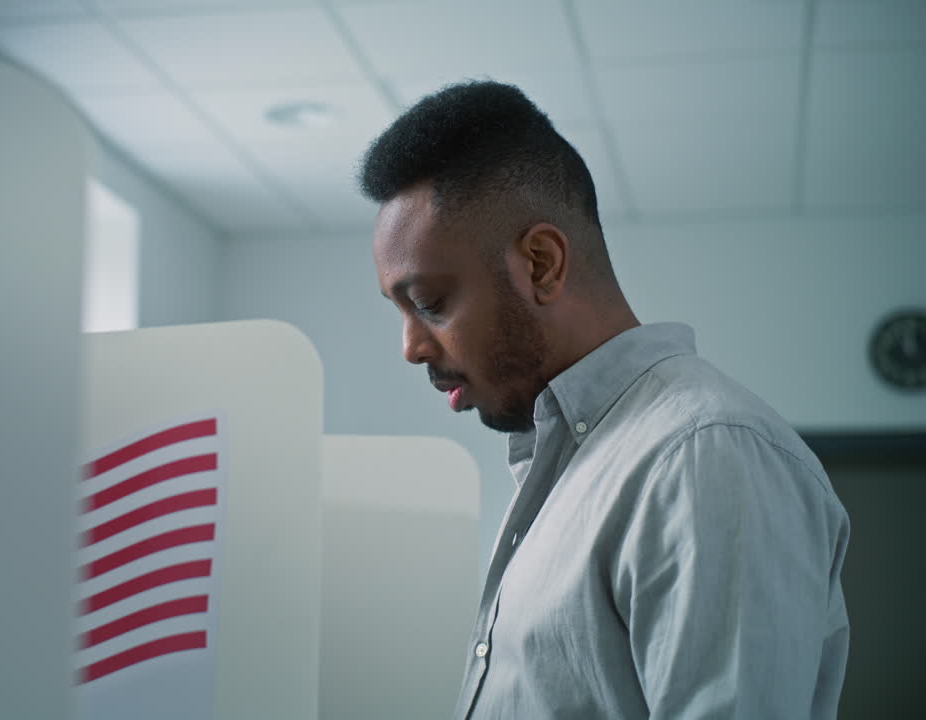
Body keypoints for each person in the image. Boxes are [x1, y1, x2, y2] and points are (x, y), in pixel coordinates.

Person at [359, 80, 850, 719]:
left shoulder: (703, 457)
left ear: (540, 264)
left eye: (428, 303)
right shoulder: (577, 467)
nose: (411, 348)